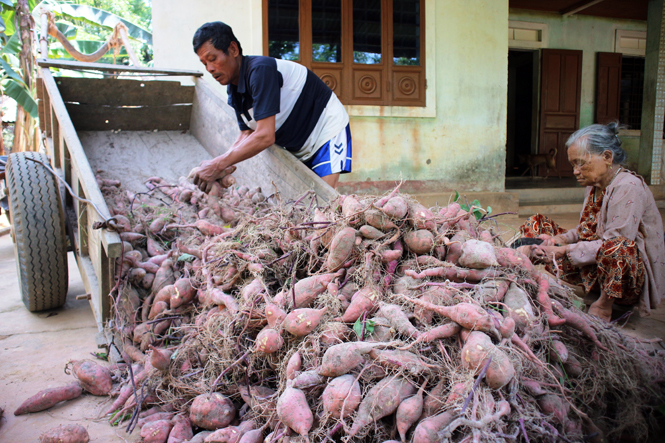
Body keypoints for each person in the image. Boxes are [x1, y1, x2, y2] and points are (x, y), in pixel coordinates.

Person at [519, 122, 665, 322]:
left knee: (618, 246)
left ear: (606, 157)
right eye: (573, 165)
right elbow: (586, 229)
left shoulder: (628, 187)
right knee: (536, 224)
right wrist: (558, 239)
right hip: (595, 266)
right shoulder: (595, 185)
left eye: (581, 163)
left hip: (627, 279)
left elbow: (617, 242)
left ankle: (605, 305)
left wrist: (563, 250)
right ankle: (518, 272)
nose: (575, 171)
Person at [190, 21, 351, 191]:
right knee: (303, 206)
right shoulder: (234, 90)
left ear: (233, 49)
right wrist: (222, 166)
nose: (210, 68)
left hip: (326, 130)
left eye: (213, 59)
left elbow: (265, 136)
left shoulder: (261, 71)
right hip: (299, 143)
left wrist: (217, 164)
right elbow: (247, 133)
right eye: (204, 64)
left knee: (323, 201)